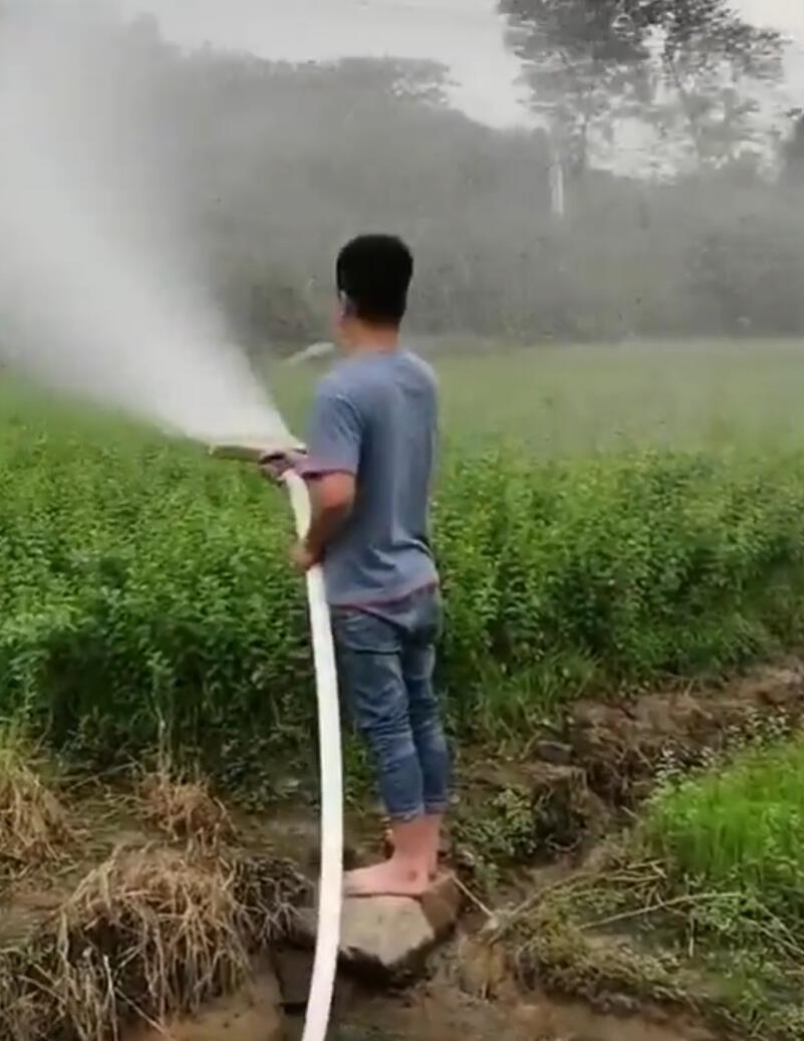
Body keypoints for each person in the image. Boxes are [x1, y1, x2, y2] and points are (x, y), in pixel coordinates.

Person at [265, 234, 450, 899]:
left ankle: (404, 865)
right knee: (422, 712)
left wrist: (312, 544)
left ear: (344, 299)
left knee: (387, 722)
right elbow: (375, 460)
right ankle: (423, 851)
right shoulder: (419, 378)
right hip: (417, 579)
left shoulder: (341, 389)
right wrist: (299, 465)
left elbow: (339, 494)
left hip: (366, 593)